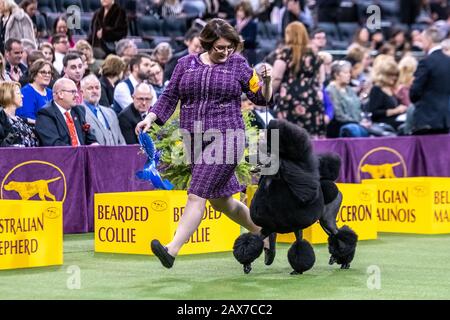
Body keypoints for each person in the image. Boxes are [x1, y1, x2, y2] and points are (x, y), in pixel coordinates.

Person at [135, 18, 274, 269]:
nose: (225, 52)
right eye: (220, 47)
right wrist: (151, 118)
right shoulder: (185, 64)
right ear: (207, 43)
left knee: (196, 194)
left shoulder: (239, 64)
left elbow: (260, 98)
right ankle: (262, 231)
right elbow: (169, 96)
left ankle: (171, 249)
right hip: (194, 139)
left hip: (228, 137)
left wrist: (269, 82)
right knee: (222, 202)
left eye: (229, 47)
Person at [272, 21, 326, 138]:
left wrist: (269, 93)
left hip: (290, 98)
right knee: (311, 137)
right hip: (312, 98)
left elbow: (276, 77)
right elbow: (321, 79)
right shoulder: (314, 55)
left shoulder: (285, 53)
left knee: (288, 136)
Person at [410, 27, 450, 134]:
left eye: (422, 40)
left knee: (425, 150)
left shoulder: (426, 62)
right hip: (446, 118)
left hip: (426, 119)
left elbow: (415, 91)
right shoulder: (448, 61)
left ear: (428, 40)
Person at [35, 78, 98, 146]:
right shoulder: (46, 114)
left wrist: (94, 145)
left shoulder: (79, 110)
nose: (77, 95)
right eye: (73, 92)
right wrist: (77, 153)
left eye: (77, 92)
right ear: (60, 94)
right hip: (63, 155)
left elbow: (90, 139)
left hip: (82, 154)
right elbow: (55, 144)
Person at [81, 74, 126, 145]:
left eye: (97, 88)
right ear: (82, 92)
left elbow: (121, 141)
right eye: (90, 88)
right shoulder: (79, 113)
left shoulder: (111, 113)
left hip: (116, 155)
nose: (94, 91)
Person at [0, 81, 39, 147]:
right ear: (9, 95)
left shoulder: (19, 119)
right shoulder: (2, 120)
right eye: (18, 93)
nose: (22, 96)